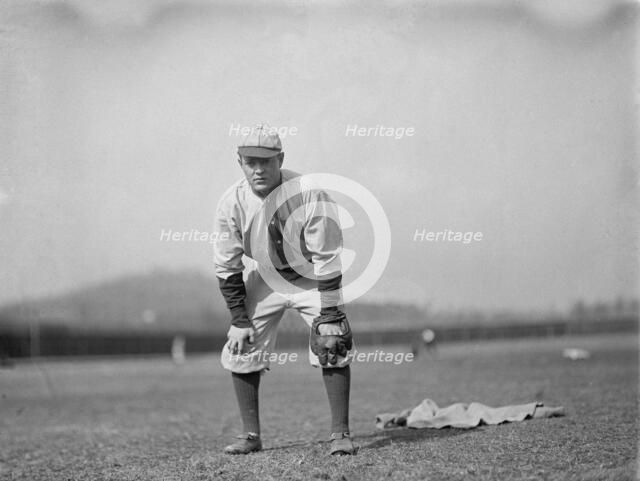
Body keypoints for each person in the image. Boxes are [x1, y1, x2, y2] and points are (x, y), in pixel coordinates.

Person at [213, 125, 355, 455]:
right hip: (266, 278)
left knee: (331, 340)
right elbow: (227, 266)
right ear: (240, 162)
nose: (258, 169)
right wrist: (238, 318)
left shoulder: (308, 192)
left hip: (310, 276)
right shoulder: (230, 203)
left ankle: (340, 434)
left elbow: (327, 257)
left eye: (266, 161)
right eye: (250, 162)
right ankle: (250, 435)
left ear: (281, 159)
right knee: (240, 345)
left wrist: (331, 312)